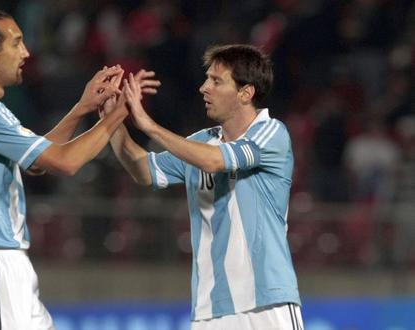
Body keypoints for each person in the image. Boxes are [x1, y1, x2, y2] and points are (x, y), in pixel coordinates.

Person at [0, 8, 128, 330]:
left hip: (4, 262)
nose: (26, 53)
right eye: (16, 43)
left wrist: (83, 108)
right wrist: (118, 114)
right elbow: (66, 162)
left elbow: (39, 161)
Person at [106, 44, 304, 329]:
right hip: (210, 308)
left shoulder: (271, 133)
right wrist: (111, 119)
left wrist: (148, 125)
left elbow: (215, 161)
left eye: (216, 81)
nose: (203, 88)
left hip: (266, 303)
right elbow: (143, 170)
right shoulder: (199, 142)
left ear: (245, 93)